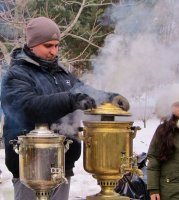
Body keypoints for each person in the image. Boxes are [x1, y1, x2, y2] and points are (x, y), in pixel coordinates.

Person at [1, 16, 129, 200]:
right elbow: (28, 107)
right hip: (30, 169)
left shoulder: (62, 74)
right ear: (32, 44)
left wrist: (110, 98)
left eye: (56, 45)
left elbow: (84, 92)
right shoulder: (17, 75)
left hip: (62, 167)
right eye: (48, 46)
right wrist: (70, 100)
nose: (54, 51)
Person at [147, 82, 179, 200]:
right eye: (177, 105)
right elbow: (153, 160)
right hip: (170, 192)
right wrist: (153, 189)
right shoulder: (163, 130)